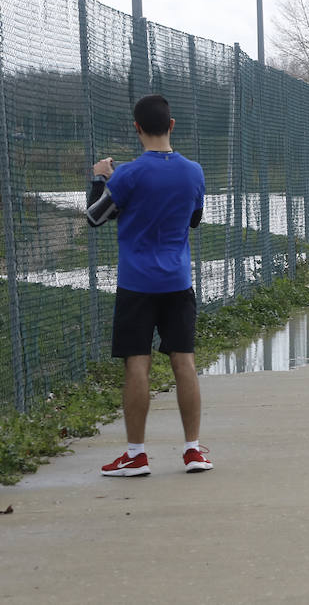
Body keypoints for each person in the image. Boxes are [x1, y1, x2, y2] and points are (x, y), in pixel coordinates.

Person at [86, 94, 211, 476]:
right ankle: (193, 450)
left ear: (137, 128)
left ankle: (136, 454)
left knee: (137, 364)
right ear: (171, 125)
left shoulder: (127, 175)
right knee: (183, 362)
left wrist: (99, 177)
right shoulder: (194, 172)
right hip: (177, 281)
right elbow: (194, 220)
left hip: (136, 284)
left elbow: (95, 218)